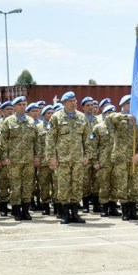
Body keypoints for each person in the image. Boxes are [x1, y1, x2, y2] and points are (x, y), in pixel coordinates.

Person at [46, 91, 90, 224]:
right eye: (71, 101)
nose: (74, 103)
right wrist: (52, 157)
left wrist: (87, 155)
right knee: (63, 186)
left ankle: (75, 213)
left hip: (78, 159)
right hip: (62, 159)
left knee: (77, 185)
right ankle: (65, 214)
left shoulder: (82, 118)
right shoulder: (56, 117)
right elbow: (50, 139)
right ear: (64, 103)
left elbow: (87, 139)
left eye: (75, 100)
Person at [0, 96, 40, 221]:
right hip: (14, 160)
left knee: (28, 186)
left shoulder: (31, 121)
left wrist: (36, 156)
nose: (22, 106)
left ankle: (26, 211)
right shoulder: (8, 121)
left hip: (28, 160)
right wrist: (5, 157)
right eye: (20, 104)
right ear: (15, 107)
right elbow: (3, 141)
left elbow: (36, 140)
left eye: (24, 104)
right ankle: (16, 211)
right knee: (15, 186)